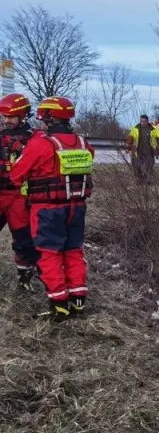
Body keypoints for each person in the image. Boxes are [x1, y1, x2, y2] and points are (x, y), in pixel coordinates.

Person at [10, 96, 94, 321]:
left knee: (49, 254)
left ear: (49, 118)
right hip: (77, 207)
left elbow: (17, 175)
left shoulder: (41, 144)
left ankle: (59, 304)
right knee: (74, 251)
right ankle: (78, 298)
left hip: (47, 209)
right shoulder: (84, 143)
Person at [0, 93, 38, 291]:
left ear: (23, 115)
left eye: (11, 117)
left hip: (20, 196)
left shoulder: (34, 138)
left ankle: (25, 278)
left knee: (23, 239)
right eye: (4, 116)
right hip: (0, 192)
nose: (6, 120)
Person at [127, 114, 159, 184]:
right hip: (138, 150)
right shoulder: (135, 128)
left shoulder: (154, 129)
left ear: (147, 121)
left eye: (144, 121)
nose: (142, 123)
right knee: (136, 166)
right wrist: (128, 147)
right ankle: (139, 180)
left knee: (149, 166)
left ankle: (148, 180)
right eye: (141, 121)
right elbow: (130, 138)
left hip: (150, 150)